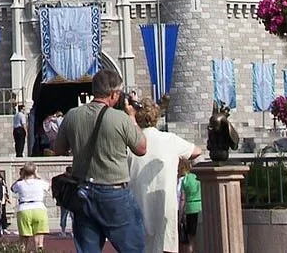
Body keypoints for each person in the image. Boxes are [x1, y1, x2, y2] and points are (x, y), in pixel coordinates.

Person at [52, 68, 149, 253]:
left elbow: (58, 149)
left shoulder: (72, 115)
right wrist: (132, 117)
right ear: (114, 94)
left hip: (82, 192)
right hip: (114, 192)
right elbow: (141, 148)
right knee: (133, 248)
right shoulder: (120, 118)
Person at [128, 101, 201, 253]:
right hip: (165, 202)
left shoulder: (131, 144)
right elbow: (196, 151)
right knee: (165, 245)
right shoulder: (170, 139)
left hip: (138, 203)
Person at [11, 163, 51, 250]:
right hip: (39, 208)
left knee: (24, 241)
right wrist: (37, 175)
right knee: (39, 242)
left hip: (24, 209)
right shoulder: (40, 182)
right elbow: (48, 187)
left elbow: (12, 188)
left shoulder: (20, 184)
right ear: (35, 171)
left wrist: (21, 177)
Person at [177, 157, 201, 253]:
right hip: (200, 207)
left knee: (190, 239)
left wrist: (180, 215)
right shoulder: (197, 177)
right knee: (199, 236)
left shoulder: (185, 180)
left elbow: (183, 198)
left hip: (190, 208)